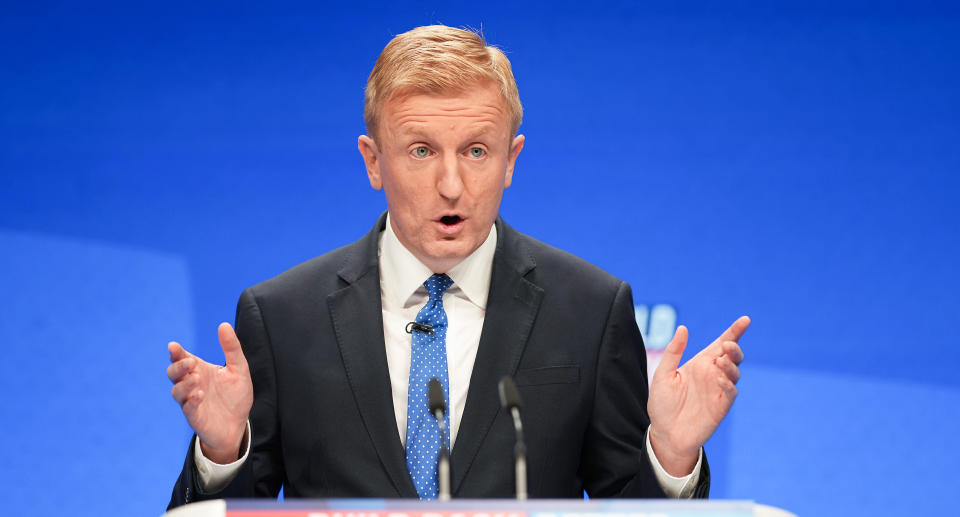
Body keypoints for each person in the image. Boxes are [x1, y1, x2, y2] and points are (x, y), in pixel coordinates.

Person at [166, 25, 747, 508]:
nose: (452, 186)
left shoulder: (590, 310)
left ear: (510, 159)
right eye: (421, 151)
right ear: (374, 161)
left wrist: (671, 457)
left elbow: (627, 508)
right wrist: (222, 454)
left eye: (476, 150)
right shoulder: (283, 317)